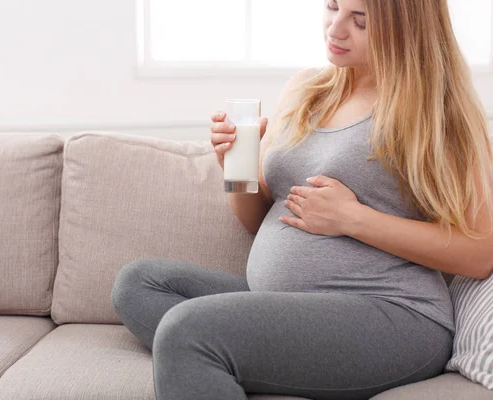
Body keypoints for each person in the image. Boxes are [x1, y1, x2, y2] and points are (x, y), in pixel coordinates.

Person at [110, 0, 493, 399]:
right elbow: (260, 220)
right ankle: (237, 359)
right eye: (332, 7)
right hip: (289, 304)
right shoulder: (306, 90)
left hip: (393, 315)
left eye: (359, 21)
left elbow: (479, 253)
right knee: (139, 283)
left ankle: (213, 355)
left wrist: (353, 219)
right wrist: (235, 168)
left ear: (406, 30)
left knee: (187, 331)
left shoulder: (436, 113)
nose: (335, 28)